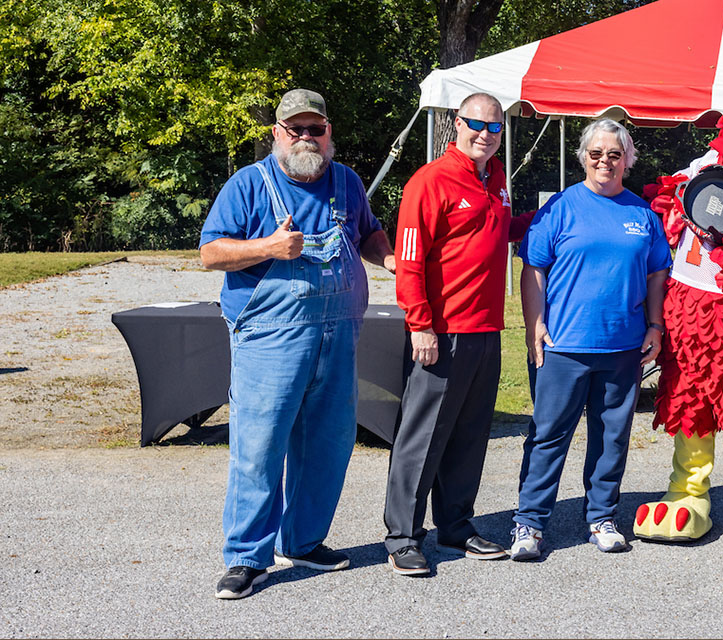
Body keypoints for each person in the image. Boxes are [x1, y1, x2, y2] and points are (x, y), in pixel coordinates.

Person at [199, 88, 396, 599]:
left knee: (328, 444)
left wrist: (391, 259)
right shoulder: (248, 184)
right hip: (271, 337)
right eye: (296, 129)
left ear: (329, 133)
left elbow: (369, 234)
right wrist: (268, 247)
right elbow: (210, 252)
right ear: (277, 134)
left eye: (316, 129)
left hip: (340, 332)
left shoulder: (347, 182)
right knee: (259, 447)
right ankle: (247, 557)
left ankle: (304, 541)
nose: (307, 138)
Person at [508, 119, 671, 561]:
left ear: (627, 160)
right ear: (583, 157)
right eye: (596, 153)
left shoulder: (642, 214)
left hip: (623, 346)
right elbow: (533, 269)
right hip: (563, 345)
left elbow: (657, 273)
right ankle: (529, 523)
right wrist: (534, 327)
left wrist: (655, 325)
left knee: (612, 436)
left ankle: (601, 516)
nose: (605, 161)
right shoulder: (560, 208)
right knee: (547, 436)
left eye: (614, 154)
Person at [385, 92, 532, 576]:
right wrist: (420, 323)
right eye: (476, 124)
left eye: (494, 127)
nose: (485, 134)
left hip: (487, 329)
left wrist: (565, 211)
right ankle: (404, 536)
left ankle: (454, 524)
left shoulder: (496, 180)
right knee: (422, 436)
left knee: (469, 435)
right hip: (442, 332)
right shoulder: (429, 181)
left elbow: (505, 229)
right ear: (456, 123)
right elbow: (409, 263)